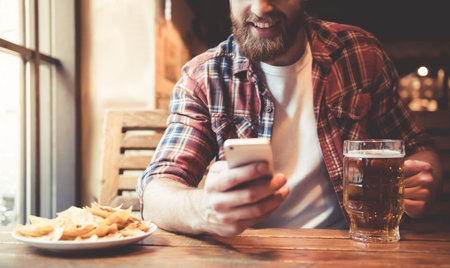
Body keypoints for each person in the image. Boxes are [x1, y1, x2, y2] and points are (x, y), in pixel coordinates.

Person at [137, 0, 442, 237]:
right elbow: (157, 191)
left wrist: (424, 183)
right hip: (252, 252)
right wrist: (204, 209)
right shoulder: (205, 77)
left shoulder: (359, 53)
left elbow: (420, 149)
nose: (261, 8)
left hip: (351, 248)